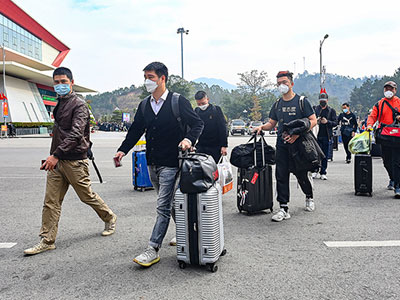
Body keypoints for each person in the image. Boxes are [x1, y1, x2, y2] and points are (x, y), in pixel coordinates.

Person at [115, 62, 204, 267]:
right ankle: (185, 233)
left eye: (151, 77)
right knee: (170, 203)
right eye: (145, 76)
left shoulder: (177, 101)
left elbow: (197, 123)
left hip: (172, 163)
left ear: (163, 78)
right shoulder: (145, 104)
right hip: (152, 162)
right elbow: (136, 129)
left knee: (162, 206)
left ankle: (153, 249)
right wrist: (122, 150)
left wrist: (188, 140)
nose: (147, 81)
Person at [24, 67, 117, 256]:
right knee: (51, 202)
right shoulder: (60, 103)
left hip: (74, 160)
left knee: (86, 196)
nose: (60, 85)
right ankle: (47, 240)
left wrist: (56, 154)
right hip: (57, 160)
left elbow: (76, 134)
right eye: (56, 82)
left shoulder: (79, 105)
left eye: (63, 82)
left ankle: (110, 217)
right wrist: (55, 155)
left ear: (72, 83)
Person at [254, 71, 317, 222]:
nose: (281, 86)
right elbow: (272, 123)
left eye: (284, 83)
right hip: (282, 144)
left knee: (301, 175)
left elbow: (313, 120)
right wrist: (261, 127)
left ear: (291, 84)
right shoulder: (277, 104)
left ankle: (309, 196)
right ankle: (283, 208)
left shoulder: (302, 101)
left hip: (300, 145)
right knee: (281, 175)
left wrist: (298, 133)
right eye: (278, 84)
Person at [367, 81, 400, 196]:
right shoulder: (380, 103)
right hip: (384, 136)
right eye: (386, 89)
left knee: (397, 161)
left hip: (397, 136)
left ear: (395, 90)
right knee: (386, 161)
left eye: (391, 89)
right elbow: (372, 116)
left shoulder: (399, 102)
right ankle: (392, 178)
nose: (388, 91)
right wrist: (369, 125)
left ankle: (398, 186)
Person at [194, 91, 228, 163]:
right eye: (199, 104)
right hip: (201, 146)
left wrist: (224, 145)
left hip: (215, 146)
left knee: (214, 170)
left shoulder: (216, 110)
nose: (201, 106)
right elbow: (192, 128)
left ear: (207, 99)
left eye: (203, 103)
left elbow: (222, 128)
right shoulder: (196, 111)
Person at [312, 92, 337, 180]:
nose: (323, 101)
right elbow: (309, 119)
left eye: (324, 100)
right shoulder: (315, 109)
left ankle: (323, 172)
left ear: (327, 100)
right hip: (316, 135)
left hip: (326, 135)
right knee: (315, 155)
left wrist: (327, 122)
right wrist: (317, 121)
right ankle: (315, 170)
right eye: (321, 100)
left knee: (325, 155)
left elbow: (335, 123)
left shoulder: (331, 111)